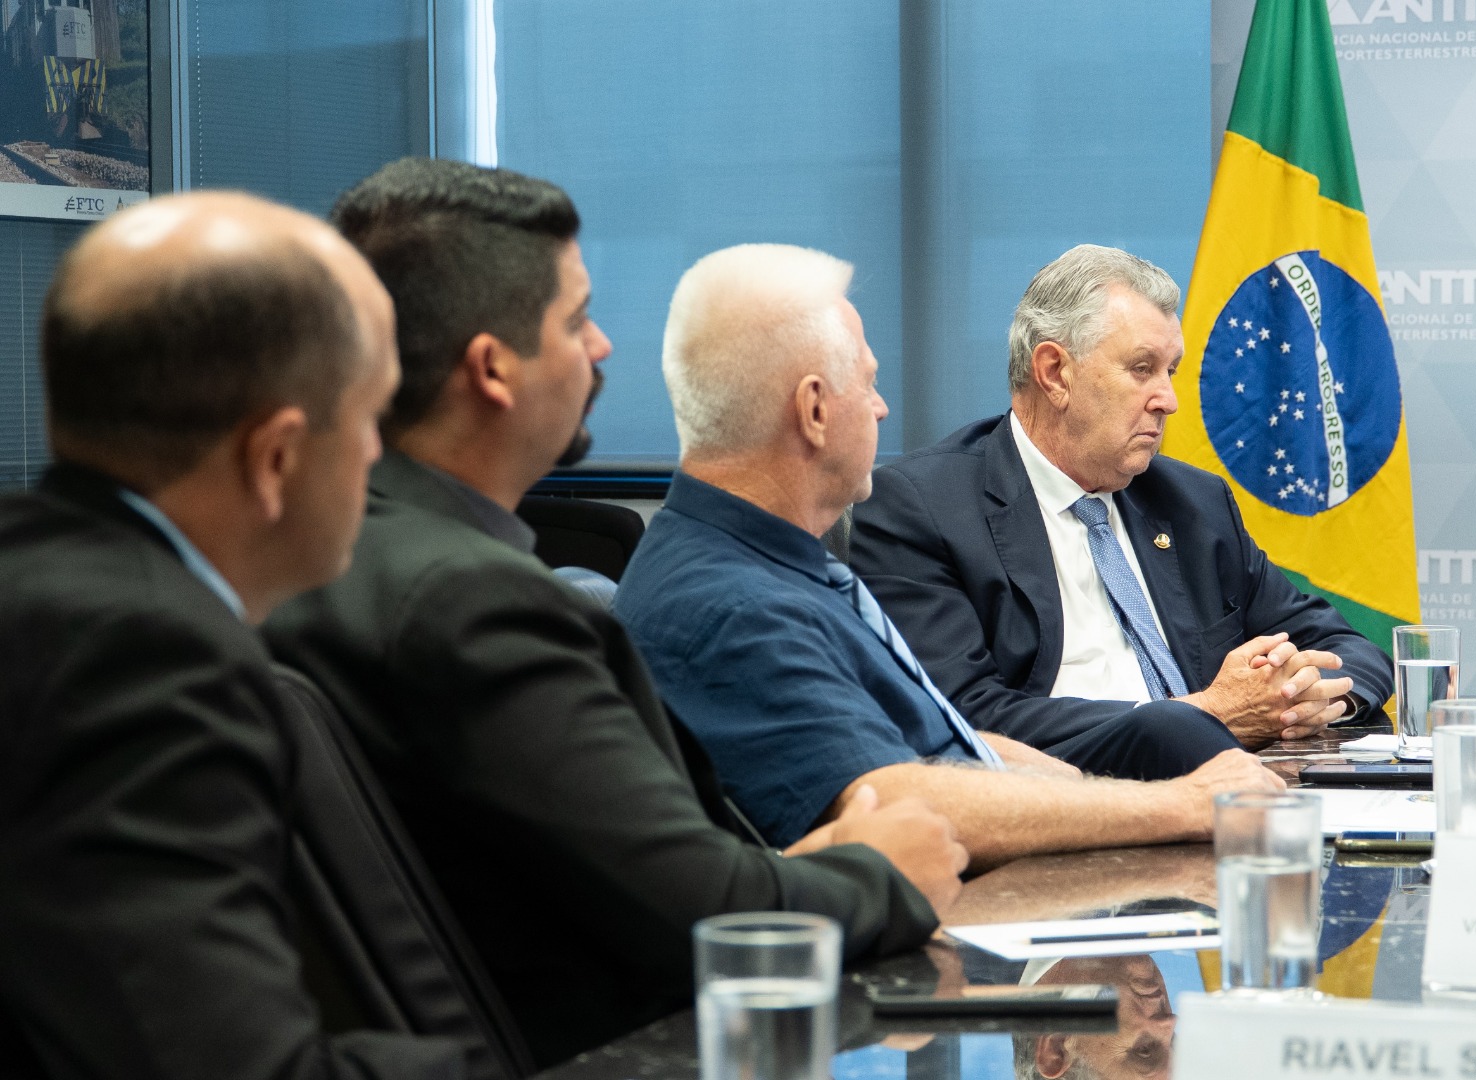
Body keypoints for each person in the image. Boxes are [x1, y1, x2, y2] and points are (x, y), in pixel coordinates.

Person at [262, 158, 966, 1069]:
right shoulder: (476, 605)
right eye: (576, 320)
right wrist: (882, 870)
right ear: (492, 369)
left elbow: (629, 879)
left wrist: (807, 866)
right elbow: (705, 919)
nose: (600, 348)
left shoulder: (326, 562)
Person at [613, 243, 1282, 871]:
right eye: (868, 384)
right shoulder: (733, 604)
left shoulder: (776, 563)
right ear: (814, 409)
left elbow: (949, 739)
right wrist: (1183, 804)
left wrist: (1083, 791)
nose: (882, 410)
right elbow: (895, 799)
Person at [0, 193, 467, 1077]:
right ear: (276, 458)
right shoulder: (145, 659)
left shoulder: (37, 577)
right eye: (369, 420)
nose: (377, 456)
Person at [850, 244, 1394, 772]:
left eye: (1170, 371)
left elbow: (1347, 647)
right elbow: (960, 718)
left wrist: (1309, 698)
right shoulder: (921, 509)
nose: (1168, 400)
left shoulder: (1193, 503)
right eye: (1141, 368)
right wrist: (1202, 716)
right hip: (1070, 806)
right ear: (1055, 373)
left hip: (1234, 791)